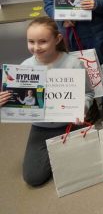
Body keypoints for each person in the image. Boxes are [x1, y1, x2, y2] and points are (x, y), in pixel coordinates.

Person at [0, 17, 94, 187]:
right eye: (31, 42)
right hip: (41, 127)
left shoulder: (73, 64)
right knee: (33, 177)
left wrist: (83, 108)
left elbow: (88, 93)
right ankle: (59, 151)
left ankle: (63, 151)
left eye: (42, 41)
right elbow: (18, 100)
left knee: (83, 169)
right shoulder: (24, 66)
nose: (36, 47)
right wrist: (5, 102)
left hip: (70, 123)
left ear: (57, 39)